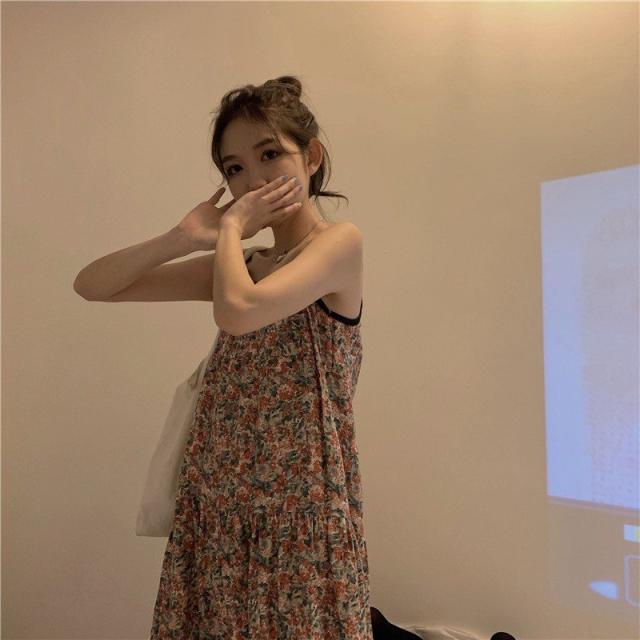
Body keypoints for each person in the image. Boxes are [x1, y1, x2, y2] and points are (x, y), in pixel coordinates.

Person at [73, 75, 370, 638]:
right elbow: (94, 285)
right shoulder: (244, 264)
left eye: (270, 155)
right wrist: (181, 237)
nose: (253, 180)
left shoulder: (339, 244)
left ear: (311, 158)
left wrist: (230, 226)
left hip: (297, 519)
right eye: (235, 168)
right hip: (217, 509)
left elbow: (238, 311)